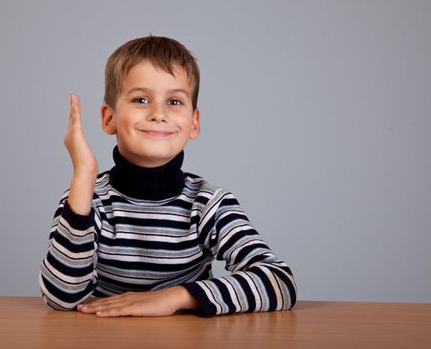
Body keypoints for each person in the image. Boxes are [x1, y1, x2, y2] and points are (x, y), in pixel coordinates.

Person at [39, 35, 297, 317]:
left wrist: (176, 297)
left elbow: (279, 281)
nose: (158, 113)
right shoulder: (87, 199)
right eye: (141, 99)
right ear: (109, 118)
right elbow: (61, 298)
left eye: (174, 102)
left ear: (193, 123)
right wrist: (83, 175)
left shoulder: (209, 204)